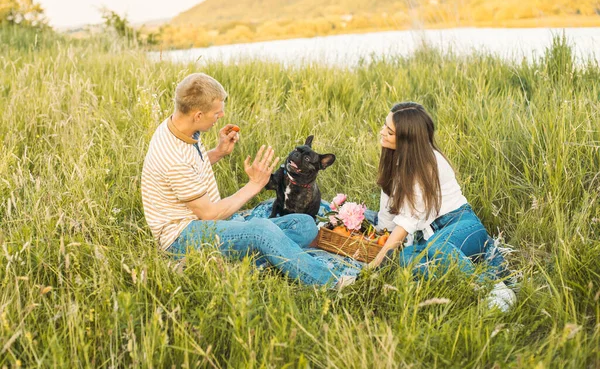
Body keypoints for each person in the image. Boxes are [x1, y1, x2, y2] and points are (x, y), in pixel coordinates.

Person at [141, 73, 351, 287]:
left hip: (210, 222)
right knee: (262, 230)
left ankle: (249, 259)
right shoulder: (173, 156)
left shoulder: (181, 127)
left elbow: (191, 167)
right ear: (198, 115)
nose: (221, 115)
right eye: (216, 112)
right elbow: (208, 213)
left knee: (305, 224)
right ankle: (331, 282)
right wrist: (255, 185)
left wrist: (219, 152)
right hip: (183, 235)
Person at [366, 102, 516, 311]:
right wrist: (378, 237)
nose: (382, 132)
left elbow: (406, 224)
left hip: (461, 225)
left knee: (436, 249)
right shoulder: (395, 159)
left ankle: (489, 287)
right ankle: (463, 269)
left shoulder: (427, 164)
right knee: (404, 260)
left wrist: (372, 267)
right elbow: (389, 212)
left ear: (407, 140)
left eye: (389, 132)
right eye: (385, 126)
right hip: (428, 237)